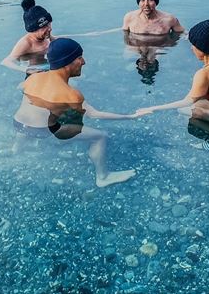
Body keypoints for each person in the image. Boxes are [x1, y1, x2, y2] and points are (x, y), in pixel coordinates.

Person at [13, 38, 140, 187]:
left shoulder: (33, 77)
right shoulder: (70, 94)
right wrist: (130, 116)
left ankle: (16, 148)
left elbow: (20, 87)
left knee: (38, 112)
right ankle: (103, 177)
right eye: (79, 58)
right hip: (42, 131)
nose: (84, 62)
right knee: (100, 136)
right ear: (67, 62)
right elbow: (94, 114)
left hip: (18, 124)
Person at [135, 17, 209, 125]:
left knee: (184, 110)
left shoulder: (204, 73)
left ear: (203, 47)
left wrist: (153, 108)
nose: (191, 48)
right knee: (201, 101)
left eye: (194, 45)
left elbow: (186, 102)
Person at [1, 0, 54, 73]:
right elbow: (6, 62)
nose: (49, 29)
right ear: (33, 30)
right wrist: (27, 70)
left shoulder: (46, 35)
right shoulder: (26, 43)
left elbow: (55, 40)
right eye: (44, 27)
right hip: (35, 74)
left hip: (47, 68)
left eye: (49, 24)